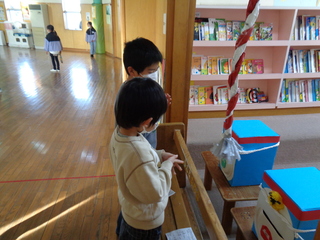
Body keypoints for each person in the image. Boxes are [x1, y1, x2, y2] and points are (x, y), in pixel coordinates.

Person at [110, 77, 183, 240]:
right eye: (156, 120)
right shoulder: (137, 153)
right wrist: (166, 166)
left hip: (131, 210)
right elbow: (156, 193)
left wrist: (160, 154)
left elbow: (136, 159)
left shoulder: (120, 134)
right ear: (146, 121)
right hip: (145, 222)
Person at [123, 37, 172, 148]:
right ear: (131, 70)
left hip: (148, 147)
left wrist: (160, 106)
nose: (154, 75)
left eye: (155, 71)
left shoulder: (142, 89)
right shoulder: (130, 96)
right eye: (150, 71)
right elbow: (139, 126)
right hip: (139, 149)